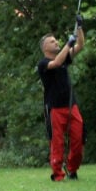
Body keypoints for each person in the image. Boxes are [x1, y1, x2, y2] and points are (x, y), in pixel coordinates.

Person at [37, 14, 85, 182]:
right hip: (55, 108)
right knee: (57, 143)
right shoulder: (43, 64)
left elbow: (80, 45)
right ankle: (57, 174)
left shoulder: (64, 58)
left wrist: (79, 28)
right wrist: (67, 44)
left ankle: (72, 169)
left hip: (72, 105)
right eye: (52, 42)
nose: (56, 42)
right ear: (45, 48)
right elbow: (56, 63)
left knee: (78, 140)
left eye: (57, 41)